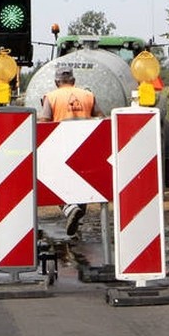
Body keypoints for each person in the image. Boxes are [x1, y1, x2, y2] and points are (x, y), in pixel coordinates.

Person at [38, 66, 104, 235]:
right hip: (84, 147)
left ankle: (69, 208)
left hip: (61, 147)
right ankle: (77, 213)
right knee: (82, 182)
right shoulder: (88, 95)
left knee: (53, 181)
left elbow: (44, 123)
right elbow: (100, 118)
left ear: (56, 82)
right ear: (73, 81)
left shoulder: (51, 97)